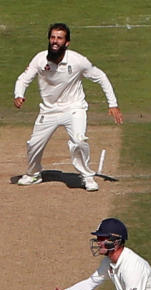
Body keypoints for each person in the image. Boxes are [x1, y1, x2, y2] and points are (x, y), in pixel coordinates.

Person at [13, 23, 123, 192]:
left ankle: (87, 176)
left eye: (59, 38)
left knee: (79, 140)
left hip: (74, 108)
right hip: (49, 110)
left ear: (67, 42)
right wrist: (18, 94)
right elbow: (23, 79)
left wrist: (113, 104)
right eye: (52, 37)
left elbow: (101, 76)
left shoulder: (78, 61)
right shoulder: (40, 59)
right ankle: (34, 173)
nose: (55, 41)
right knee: (34, 144)